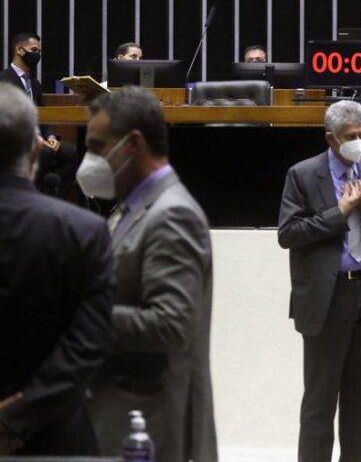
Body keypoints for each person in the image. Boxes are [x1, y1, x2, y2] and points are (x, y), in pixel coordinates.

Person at [80, 88, 217, 462]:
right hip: (123, 413)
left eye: (97, 145)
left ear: (133, 143)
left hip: (151, 428)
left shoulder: (172, 215)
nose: (89, 158)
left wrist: (81, 316)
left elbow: (172, 324)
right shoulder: (133, 207)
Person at [0, 84, 113, 456]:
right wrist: (16, 417)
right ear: (35, 148)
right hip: (53, 435)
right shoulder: (84, 231)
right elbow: (88, 344)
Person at [277, 100, 361, 462]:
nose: (358, 141)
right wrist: (338, 214)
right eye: (350, 136)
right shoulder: (303, 174)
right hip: (327, 296)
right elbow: (288, 233)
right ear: (331, 138)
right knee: (320, 402)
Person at [0, 33, 78, 200]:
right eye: (34, 50)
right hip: (17, 138)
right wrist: (34, 138)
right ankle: (31, 197)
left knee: (70, 152)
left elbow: (43, 114)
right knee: (44, 153)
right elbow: (7, 117)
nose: (38, 55)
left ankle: (55, 200)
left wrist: (50, 135)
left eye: (40, 52)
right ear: (19, 50)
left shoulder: (34, 84)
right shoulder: (3, 80)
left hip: (40, 138)